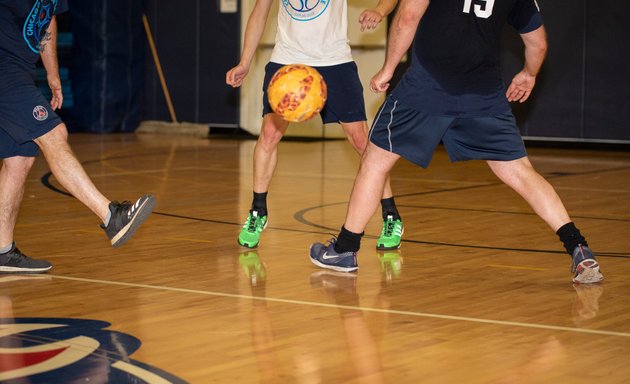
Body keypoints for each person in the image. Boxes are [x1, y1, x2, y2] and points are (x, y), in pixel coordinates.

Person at [309, 0, 603, 284]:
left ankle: (345, 249)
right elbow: (537, 43)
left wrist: (388, 69)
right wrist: (528, 74)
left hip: (426, 89)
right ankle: (579, 248)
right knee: (520, 171)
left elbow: (409, 16)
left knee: (375, 161)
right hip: (483, 95)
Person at [226, 0, 404, 250]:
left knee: (361, 141)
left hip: (335, 62)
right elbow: (259, 13)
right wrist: (245, 61)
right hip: (287, 62)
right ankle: (258, 212)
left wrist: (379, 11)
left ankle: (390, 215)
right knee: (268, 134)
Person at [0, 0, 155, 273]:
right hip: (4, 72)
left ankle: (2, 251)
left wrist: (52, 74)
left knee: (19, 159)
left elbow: (47, 20)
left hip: (22, 72)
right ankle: (111, 217)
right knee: (54, 133)